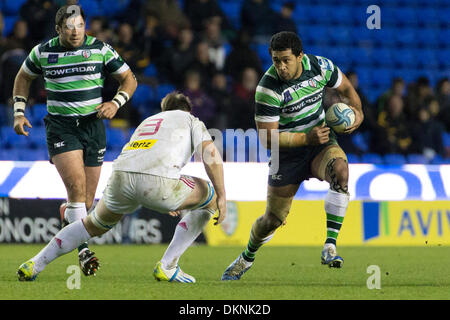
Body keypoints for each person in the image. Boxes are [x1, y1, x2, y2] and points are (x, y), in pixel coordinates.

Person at [17, 92, 227, 283]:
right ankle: (168, 265)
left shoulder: (149, 121)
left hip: (120, 177)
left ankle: (35, 263)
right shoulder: (190, 120)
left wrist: (173, 192)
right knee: (211, 194)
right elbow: (211, 155)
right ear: (187, 110)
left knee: (91, 225)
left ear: (164, 110)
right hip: (158, 183)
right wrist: (222, 196)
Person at [221, 31, 363, 280]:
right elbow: (267, 138)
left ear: (300, 56)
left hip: (320, 143)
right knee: (272, 220)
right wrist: (305, 138)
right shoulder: (267, 87)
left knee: (340, 171)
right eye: (276, 60)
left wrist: (358, 113)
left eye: (286, 60)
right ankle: (246, 256)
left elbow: (348, 90)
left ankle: (330, 246)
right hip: (285, 154)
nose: (281, 66)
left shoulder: (321, 67)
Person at [12, 5, 137, 276]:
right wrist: (19, 112)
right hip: (61, 127)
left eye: (79, 25)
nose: (75, 31)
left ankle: (68, 216)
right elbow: (23, 77)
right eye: (69, 27)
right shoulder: (43, 52)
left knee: (86, 202)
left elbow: (128, 78)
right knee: (76, 190)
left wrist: (116, 103)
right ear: (58, 30)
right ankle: (83, 250)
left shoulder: (100, 49)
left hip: (93, 127)